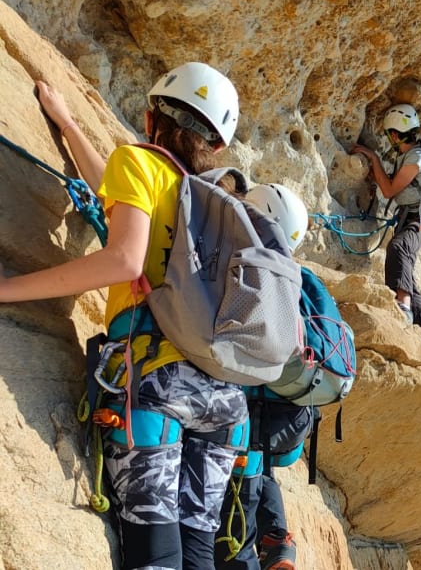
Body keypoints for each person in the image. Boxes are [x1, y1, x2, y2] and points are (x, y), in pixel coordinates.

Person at [0, 63, 249, 570]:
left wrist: (7, 289)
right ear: (216, 147)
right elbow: (114, 195)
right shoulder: (209, 199)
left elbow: (125, 259)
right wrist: (68, 125)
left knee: (155, 558)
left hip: (158, 383)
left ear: (150, 115)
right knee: (198, 555)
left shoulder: (140, 165)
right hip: (225, 403)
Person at [215, 183, 313, 570]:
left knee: (246, 467)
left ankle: (246, 555)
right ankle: (276, 541)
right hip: (289, 408)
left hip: (248, 401)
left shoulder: (248, 263)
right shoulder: (296, 278)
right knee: (259, 460)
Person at [350, 103, 421, 344]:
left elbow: (389, 189)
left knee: (398, 248)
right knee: (407, 274)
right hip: (411, 217)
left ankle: (403, 306)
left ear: (394, 134)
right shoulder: (410, 157)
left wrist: (373, 157)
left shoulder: (417, 157)